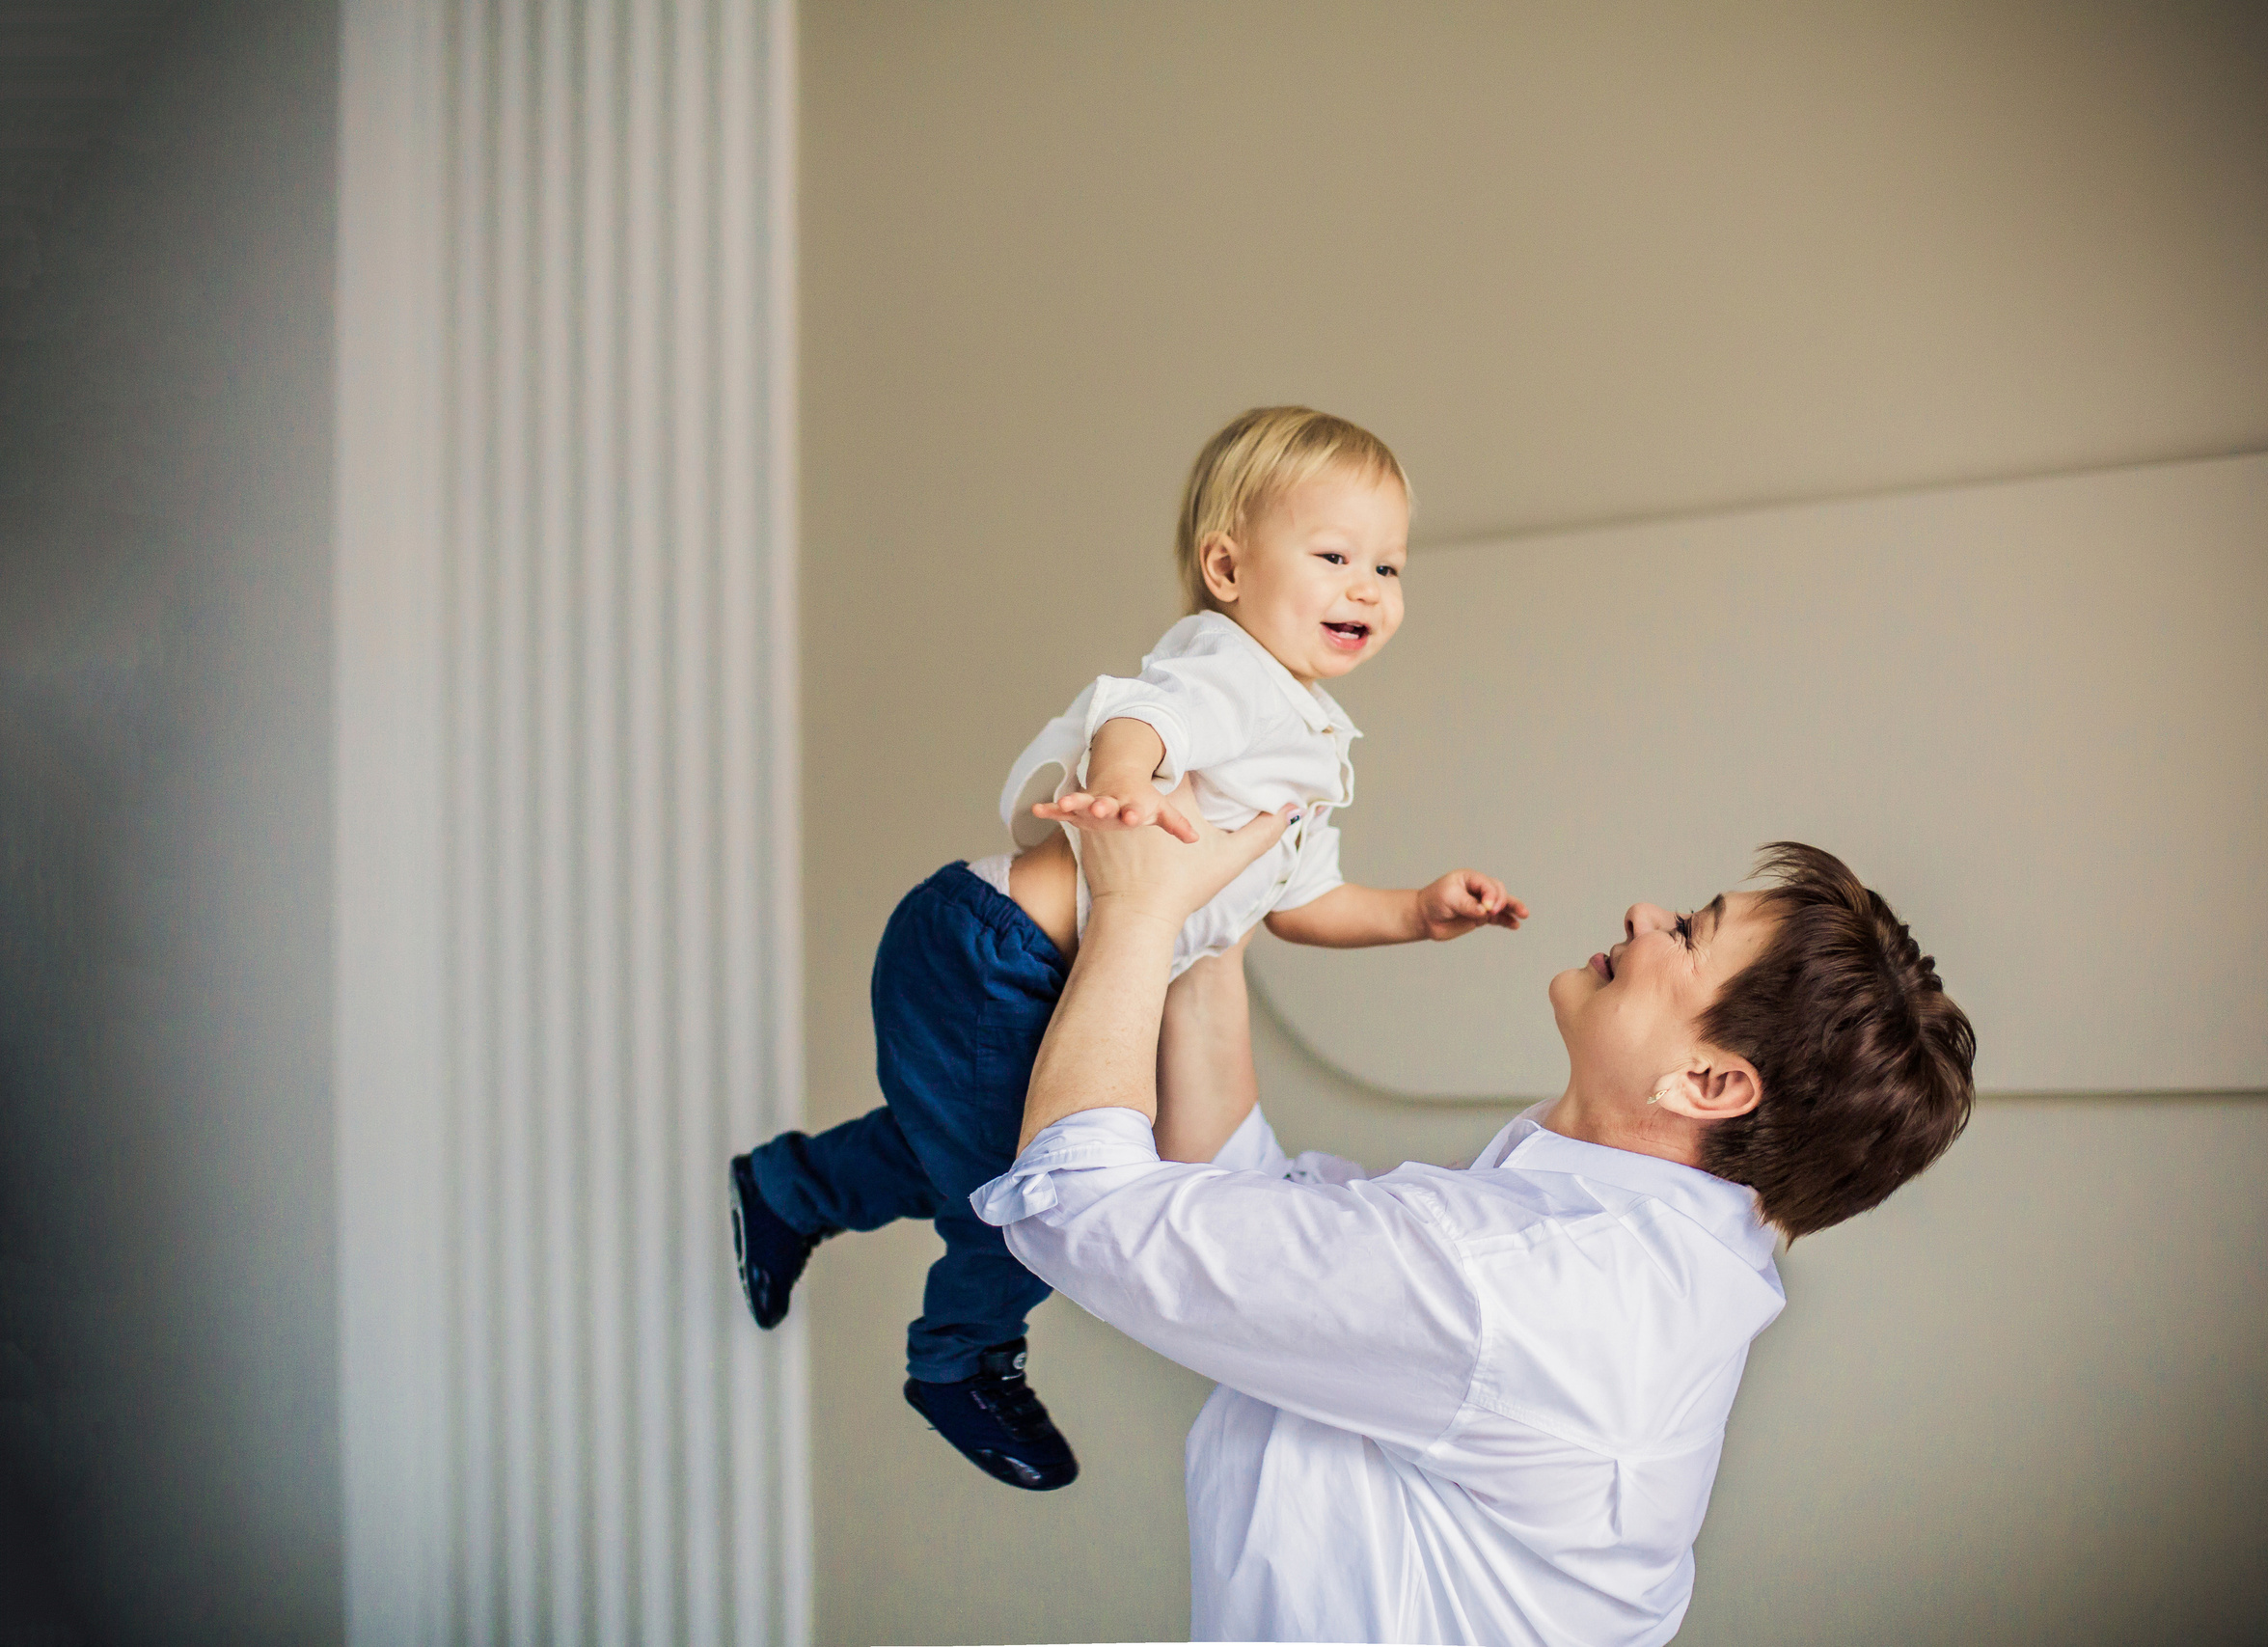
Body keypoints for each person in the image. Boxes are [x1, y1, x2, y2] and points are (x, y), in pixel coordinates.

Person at [727, 407, 1528, 1491]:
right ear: (1227, 567)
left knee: (954, 1151)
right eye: (1333, 556)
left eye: (1387, 564)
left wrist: (1413, 912)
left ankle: (790, 1189)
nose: (1368, 587)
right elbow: (1146, 714)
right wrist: (1124, 785)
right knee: (1025, 1196)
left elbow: (1296, 903)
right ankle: (956, 1361)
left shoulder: (1307, 743)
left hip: (1027, 969)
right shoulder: (1227, 666)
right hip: (991, 954)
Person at [971, 814, 1976, 1646]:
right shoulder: (1623, 1253)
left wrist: (1138, 909)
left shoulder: (1524, 1288)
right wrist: (1213, 925)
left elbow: (1081, 1211)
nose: (1644, 914)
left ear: (1708, 1084)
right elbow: (1261, 1219)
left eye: (1689, 932)